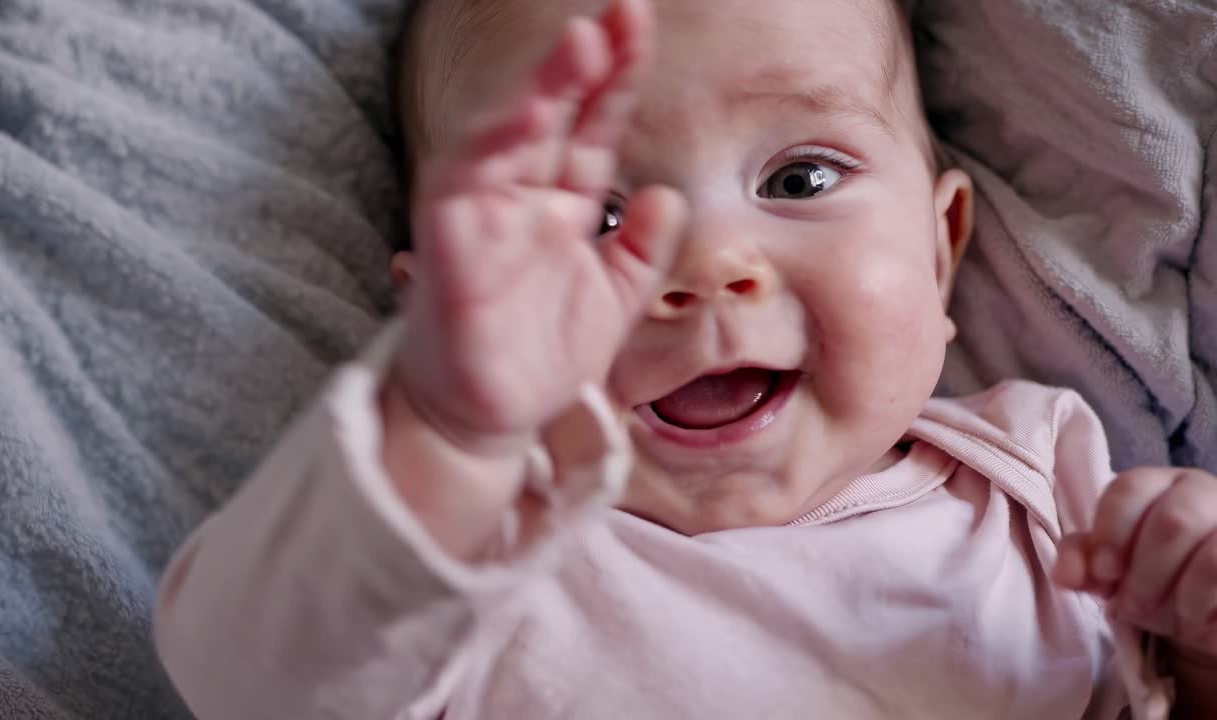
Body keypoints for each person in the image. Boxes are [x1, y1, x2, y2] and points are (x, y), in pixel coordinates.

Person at [154, 0, 1217, 716]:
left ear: (939, 250)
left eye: (799, 178)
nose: (707, 265)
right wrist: (440, 429)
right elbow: (245, 677)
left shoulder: (1049, 491)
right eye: (590, 215)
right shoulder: (471, 557)